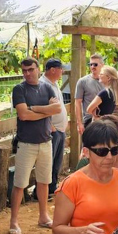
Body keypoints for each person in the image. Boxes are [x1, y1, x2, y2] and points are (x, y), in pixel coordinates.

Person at [10, 57, 62, 234]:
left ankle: (43, 216)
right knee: (19, 184)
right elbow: (23, 115)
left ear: (38, 69)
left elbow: (57, 110)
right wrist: (45, 109)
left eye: (30, 69)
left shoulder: (46, 87)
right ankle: (14, 221)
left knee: (44, 181)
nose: (27, 74)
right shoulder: (19, 89)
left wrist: (34, 108)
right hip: (26, 144)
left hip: (45, 142)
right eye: (24, 71)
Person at [40, 58, 69, 196]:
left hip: (60, 128)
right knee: (48, 161)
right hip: (52, 129)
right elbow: (42, 109)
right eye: (60, 69)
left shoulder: (55, 84)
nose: (62, 72)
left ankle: (52, 187)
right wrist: (50, 126)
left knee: (57, 161)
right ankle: (42, 190)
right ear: (52, 70)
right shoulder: (42, 85)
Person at [74, 53, 105, 134]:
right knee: (88, 146)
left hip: (105, 120)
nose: (92, 67)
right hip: (89, 120)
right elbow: (77, 102)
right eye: (90, 64)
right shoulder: (82, 81)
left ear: (102, 65)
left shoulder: (108, 81)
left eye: (95, 64)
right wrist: (79, 123)